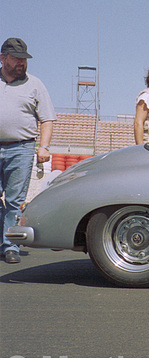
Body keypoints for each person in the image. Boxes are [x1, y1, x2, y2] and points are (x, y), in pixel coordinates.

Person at [0, 38, 56, 264]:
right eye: (17, 59)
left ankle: (10, 245)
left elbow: (48, 118)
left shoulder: (35, 85)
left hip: (21, 148)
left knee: (14, 201)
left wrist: (43, 146)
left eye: (24, 59)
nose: (22, 63)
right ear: (3, 58)